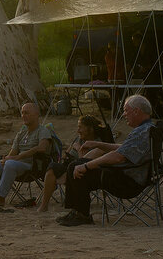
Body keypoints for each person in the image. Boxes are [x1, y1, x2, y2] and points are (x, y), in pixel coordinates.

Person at [56, 94, 154, 226]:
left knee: (77, 167)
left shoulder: (141, 132)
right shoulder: (148, 128)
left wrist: (86, 166)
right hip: (134, 175)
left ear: (136, 111)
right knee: (77, 165)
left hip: (128, 181)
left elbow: (118, 156)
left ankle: (81, 214)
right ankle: (77, 211)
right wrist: (98, 144)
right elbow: (124, 148)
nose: (124, 114)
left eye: (126, 111)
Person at [0, 102, 58, 208]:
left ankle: (0, 198)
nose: (23, 116)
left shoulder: (43, 130)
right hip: (13, 165)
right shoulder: (22, 133)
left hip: (31, 166)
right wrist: (6, 159)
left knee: (11, 164)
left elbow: (42, 148)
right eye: (22, 113)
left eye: (27, 113)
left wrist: (17, 158)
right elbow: (12, 153)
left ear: (36, 114)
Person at [36, 115, 111, 213]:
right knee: (52, 168)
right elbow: (65, 155)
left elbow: (84, 162)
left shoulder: (97, 144)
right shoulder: (78, 138)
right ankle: (44, 205)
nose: (78, 130)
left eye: (80, 127)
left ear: (90, 129)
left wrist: (78, 148)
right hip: (69, 164)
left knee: (58, 168)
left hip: (82, 170)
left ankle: (64, 177)